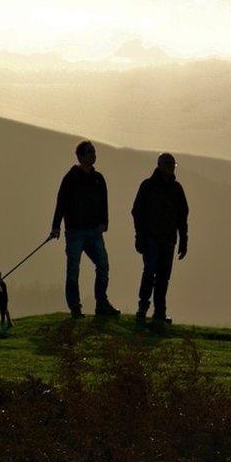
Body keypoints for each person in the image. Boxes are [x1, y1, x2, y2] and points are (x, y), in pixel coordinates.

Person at [49, 140, 121, 318]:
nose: (93, 155)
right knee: (74, 270)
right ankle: (76, 307)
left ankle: (101, 304)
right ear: (80, 156)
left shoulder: (99, 178)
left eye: (94, 152)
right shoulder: (71, 178)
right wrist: (55, 226)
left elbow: (104, 202)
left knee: (103, 265)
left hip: (94, 231)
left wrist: (105, 222)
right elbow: (61, 203)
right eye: (90, 153)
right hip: (75, 231)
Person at [131, 152, 189, 327]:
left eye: (173, 165)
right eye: (168, 164)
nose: (171, 168)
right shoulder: (148, 186)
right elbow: (137, 212)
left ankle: (158, 312)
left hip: (168, 240)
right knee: (150, 273)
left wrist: (183, 240)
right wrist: (140, 236)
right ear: (160, 165)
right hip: (152, 239)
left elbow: (182, 216)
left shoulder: (176, 189)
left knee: (163, 277)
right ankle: (144, 309)